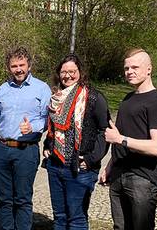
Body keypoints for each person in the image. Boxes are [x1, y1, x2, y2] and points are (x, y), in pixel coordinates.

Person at [99, 48, 157, 230]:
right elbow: (119, 137)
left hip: (142, 177)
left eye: (135, 67)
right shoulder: (128, 99)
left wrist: (121, 139)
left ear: (149, 69)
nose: (129, 72)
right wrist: (109, 166)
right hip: (118, 175)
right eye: (126, 68)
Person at [0, 46, 51, 230]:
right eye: (14, 66)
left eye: (22, 64)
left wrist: (33, 127)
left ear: (29, 65)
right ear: (9, 68)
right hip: (1, 149)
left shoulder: (41, 88)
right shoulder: (4, 88)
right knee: (5, 199)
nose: (18, 69)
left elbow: (48, 120)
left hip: (26, 150)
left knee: (22, 199)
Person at [43, 54, 110, 230]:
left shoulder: (93, 98)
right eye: (64, 72)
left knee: (77, 219)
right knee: (59, 217)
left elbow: (105, 131)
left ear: (80, 72)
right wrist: (47, 146)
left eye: (72, 71)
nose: (67, 76)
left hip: (80, 169)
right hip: (56, 165)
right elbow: (53, 128)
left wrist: (90, 159)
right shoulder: (56, 98)